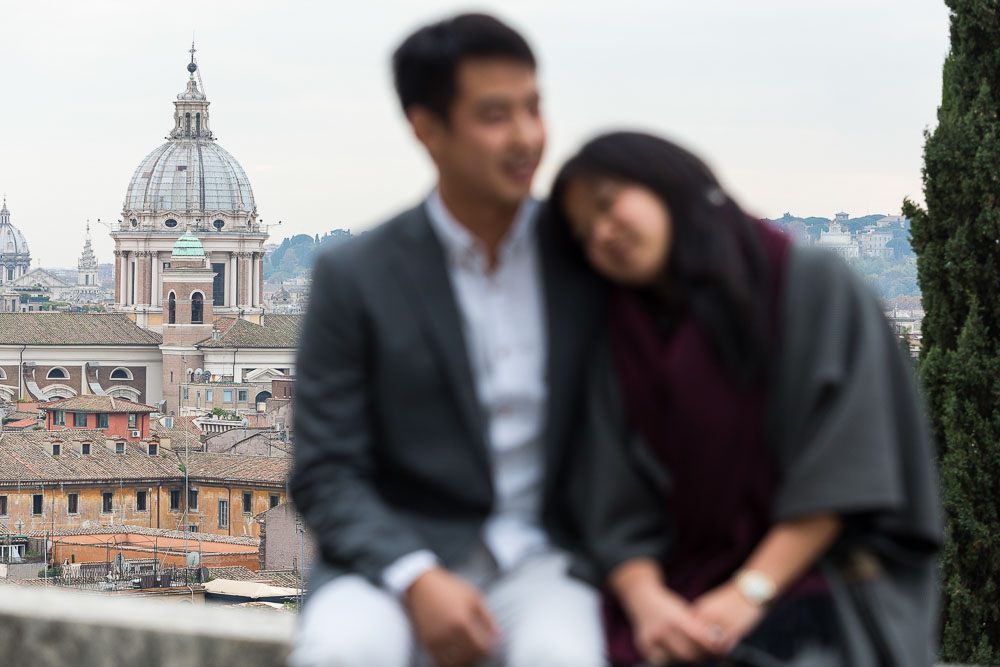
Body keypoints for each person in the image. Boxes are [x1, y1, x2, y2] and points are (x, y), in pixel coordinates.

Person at [549, 132, 941, 667]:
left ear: (669, 183)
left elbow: (847, 467)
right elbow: (609, 497)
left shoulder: (810, 286)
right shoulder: (620, 338)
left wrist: (747, 594)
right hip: (671, 590)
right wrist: (647, 604)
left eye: (607, 203)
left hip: (825, 579)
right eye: (583, 232)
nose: (602, 232)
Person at [289, 14, 607, 667]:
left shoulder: (586, 261)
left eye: (534, 109)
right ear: (427, 129)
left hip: (547, 560)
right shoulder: (355, 276)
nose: (526, 138)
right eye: (496, 115)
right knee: (344, 651)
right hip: (393, 560)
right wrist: (415, 574)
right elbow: (324, 470)